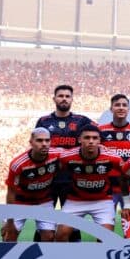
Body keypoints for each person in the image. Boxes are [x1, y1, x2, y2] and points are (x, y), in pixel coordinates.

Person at [35, 84, 93, 241]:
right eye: (60, 96)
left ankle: (72, 256)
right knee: (44, 221)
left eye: (67, 96)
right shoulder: (44, 121)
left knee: (72, 221)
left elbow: (101, 134)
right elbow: (35, 146)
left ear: (72, 99)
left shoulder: (81, 121)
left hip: (72, 180)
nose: (64, 99)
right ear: (54, 98)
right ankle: (39, 255)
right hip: (48, 179)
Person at [55, 125, 123, 241]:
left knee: (107, 238)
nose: (91, 141)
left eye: (95, 138)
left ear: (99, 141)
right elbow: (56, 168)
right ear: (79, 140)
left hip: (102, 201)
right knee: (61, 234)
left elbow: (124, 176)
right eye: (87, 137)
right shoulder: (66, 157)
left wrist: (126, 201)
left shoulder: (113, 158)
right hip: (75, 200)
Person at [1, 128, 62, 242]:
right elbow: (11, 192)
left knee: (49, 236)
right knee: (8, 236)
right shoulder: (18, 164)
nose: (44, 144)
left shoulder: (57, 155)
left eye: (47, 140)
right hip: (20, 202)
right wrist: (10, 222)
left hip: (44, 201)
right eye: (39, 140)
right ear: (31, 142)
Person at [98, 94, 130, 210]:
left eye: (124, 105)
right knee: (106, 225)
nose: (121, 108)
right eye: (117, 105)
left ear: (128, 109)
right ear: (111, 109)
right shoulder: (101, 131)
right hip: (107, 188)